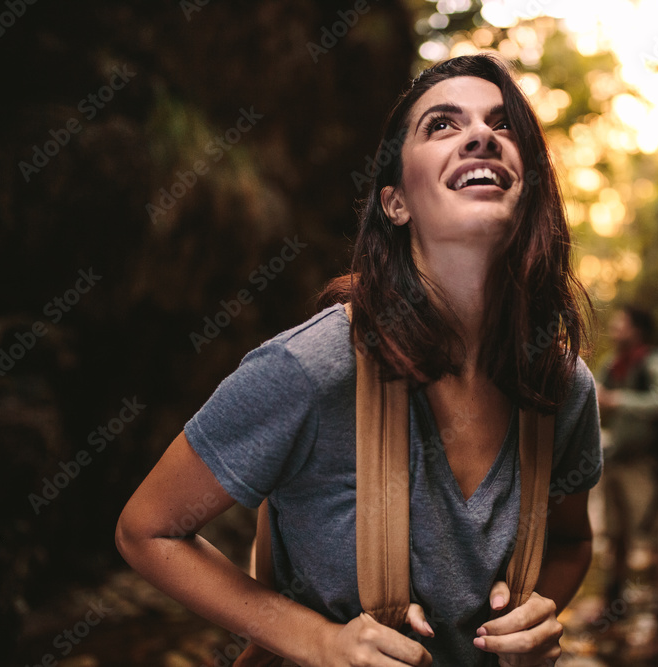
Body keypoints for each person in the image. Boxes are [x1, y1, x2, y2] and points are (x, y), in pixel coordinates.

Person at [115, 54, 602, 666]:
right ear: (396, 204)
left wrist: (539, 617)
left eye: (503, 126)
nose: (481, 135)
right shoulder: (310, 368)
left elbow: (571, 541)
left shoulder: (562, 387)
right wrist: (317, 639)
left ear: (530, 189)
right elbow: (147, 529)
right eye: (442, 126)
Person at [595, 306, 658, 654]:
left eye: (622, 323)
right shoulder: (612, 365)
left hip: (642, 465)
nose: (615, 328)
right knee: (615, 536)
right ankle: (613, 605)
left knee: (652, 536)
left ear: (638, 330)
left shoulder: (652, 363)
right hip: (614, 461)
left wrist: (619, 400)